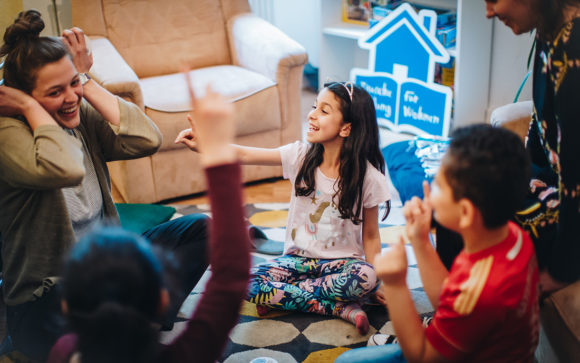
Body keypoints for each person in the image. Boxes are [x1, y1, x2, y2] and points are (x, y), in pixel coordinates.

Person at [0, 10, 208, 360]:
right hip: (50, 295)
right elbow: (64, 168)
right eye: (55, 91)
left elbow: (147, 139)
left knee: (203, 231)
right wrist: (27, 106)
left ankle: (140, 322)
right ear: (23, 99)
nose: (71, 97)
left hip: (104, 268)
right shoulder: (9, 135)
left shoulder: (77, 117)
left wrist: (86, 79)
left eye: (73, 83)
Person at [47, 83, 251, 363]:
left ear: (66, 306)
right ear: (162, 302)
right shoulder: (188, 354)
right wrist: (218, 151)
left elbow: (231, 276)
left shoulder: (63, 352)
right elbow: (231, 277)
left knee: (200, 227)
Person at [176, 81, 391, 334]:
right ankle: (338, 307)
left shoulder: (369, 177)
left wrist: (381, 283)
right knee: (245, 282)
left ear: (346, 128)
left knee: (367, 277)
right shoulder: (299, 156)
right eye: (314, 106)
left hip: (341, 266)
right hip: (296, 262)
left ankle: (286, 299)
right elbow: (244, 155)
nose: (311, 114)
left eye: (324, 110)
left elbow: (372, 235)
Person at [336, 124, 539, 363]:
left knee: (345, 362)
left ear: (465, 212)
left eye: (438, 185)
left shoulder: (479, 292)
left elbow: (422, 356)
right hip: (475, 342)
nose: (429, 190)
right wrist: (421, 241)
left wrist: (395, 283)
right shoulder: (511, 236)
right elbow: (448, 300)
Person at [484, 0, 580, 294]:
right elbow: (541, 125)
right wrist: (518, 177)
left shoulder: (573, 47)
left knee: (470, 217)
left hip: (571, 208)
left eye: (493, 1)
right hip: (555, 184)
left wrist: (562, 271)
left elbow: (576, 173)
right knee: (467, 193)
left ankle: (468, 327)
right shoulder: (549, 29)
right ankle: (462, 320)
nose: (489, 12)